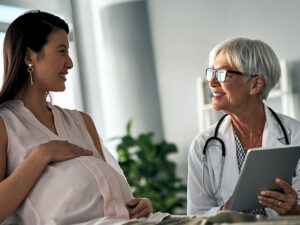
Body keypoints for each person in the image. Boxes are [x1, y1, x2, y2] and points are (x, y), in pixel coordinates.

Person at [0, 10, 169, 225]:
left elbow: (103, 188)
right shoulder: (5, 125)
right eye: (62, 51)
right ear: (28, 57)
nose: (70, 63)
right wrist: (41, 155)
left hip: (136, 221)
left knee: (224, 219)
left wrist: (136, 204)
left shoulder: (81, 121)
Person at [187, 37, 300, 217]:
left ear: (255, 84)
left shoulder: (295, 135)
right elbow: (196, 214)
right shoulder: (203, 145)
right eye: (211, 72)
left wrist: (296, 211)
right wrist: (224, 212)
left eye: (223, 74)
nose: (212, 83)